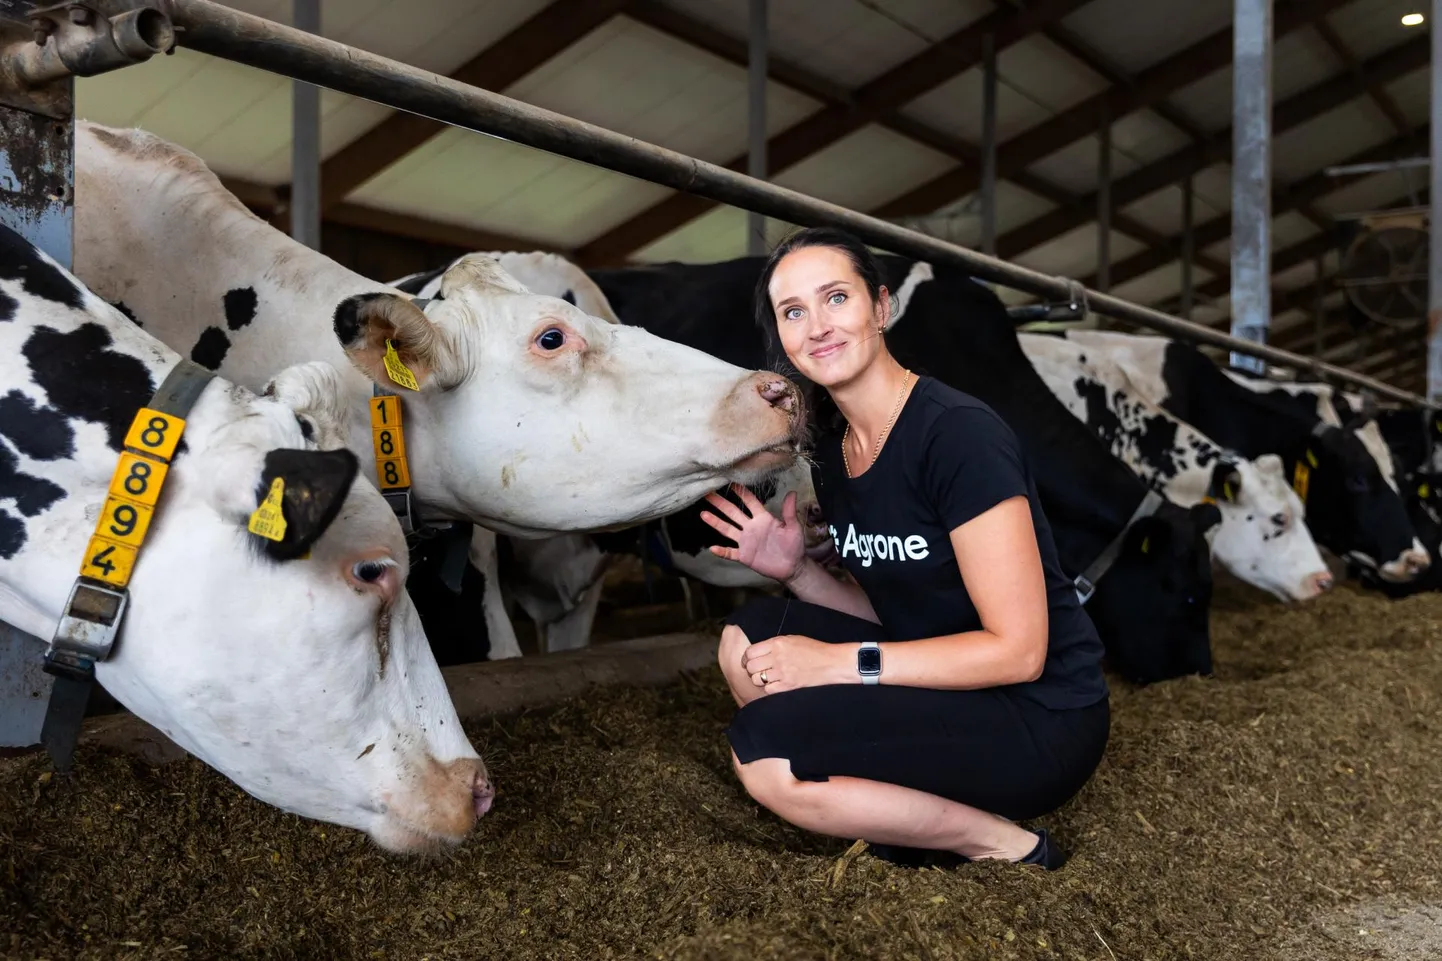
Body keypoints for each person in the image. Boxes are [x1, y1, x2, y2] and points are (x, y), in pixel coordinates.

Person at [699, 227, 1110, 870]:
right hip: (945, 681)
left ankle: (1002, 842)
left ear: (881, 307)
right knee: (746, 642)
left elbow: (1021, 652)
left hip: (1040, 716)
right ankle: (895, 792)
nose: (818, 326)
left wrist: (835, 666)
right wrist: (798, 572)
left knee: (766, 758)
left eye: (836, 297)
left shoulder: (957, 437)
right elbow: (899, 613)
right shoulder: (835, 452)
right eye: (794, 312)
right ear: (781, 338)